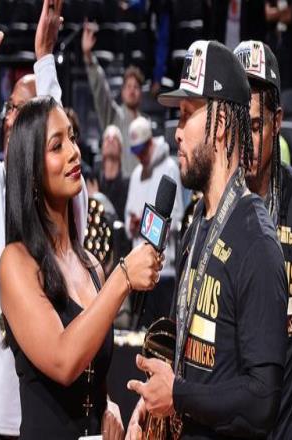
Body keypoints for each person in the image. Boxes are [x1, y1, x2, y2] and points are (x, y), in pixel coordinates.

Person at [125, 39, 288, 440]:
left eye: (185, 116)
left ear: (219, 124)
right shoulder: (197, 221)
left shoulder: (257, 241)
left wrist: (178, 395)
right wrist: (153, 401)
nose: (176, 133)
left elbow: (263, 398)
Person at [0, 1, 88, 437]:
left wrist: (47, 61)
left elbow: (61, 143)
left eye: (25, 112)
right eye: (10, 108)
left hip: (46, 416)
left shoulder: (65, 197)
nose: (12, 119)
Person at [0, 95, 161, 439]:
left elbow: (91, 374)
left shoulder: (91, 266)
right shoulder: (17, 262)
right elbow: (63, 361)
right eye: (56, 146)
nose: (74, 151)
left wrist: (108, 405)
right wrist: (123, 278)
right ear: (31, 170)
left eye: (72, 138)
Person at [234, 40, 292, 440]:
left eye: (254, 126)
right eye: (237, 126)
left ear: (277, 120)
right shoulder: (215, 205)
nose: (245, 143)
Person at [124, 116, 184, 328]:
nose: (139, 156)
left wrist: (147, 223)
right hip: (138, 268)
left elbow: (176, 217)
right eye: (136, 152)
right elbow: (127, 216)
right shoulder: (136, 174)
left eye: (142, 150)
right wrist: (133, 225)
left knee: (161, 332)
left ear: (150, 142)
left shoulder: (169, 168)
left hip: (163, 270)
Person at [82, 21, 145, 176]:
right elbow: (100, 89)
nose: (132, 90)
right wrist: (88, 56)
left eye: (136, 87)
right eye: (128, 86)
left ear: (141, 93)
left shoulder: (146, 123)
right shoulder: (113, 116)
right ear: (122, 92)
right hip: (117, 185)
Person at [99, 124, 130, 222]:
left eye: (115, 138)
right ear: (102, 148)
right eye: (107, 137)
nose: (111, 140)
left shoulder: (128, 185)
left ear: (120, 149)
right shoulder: (94, 182)